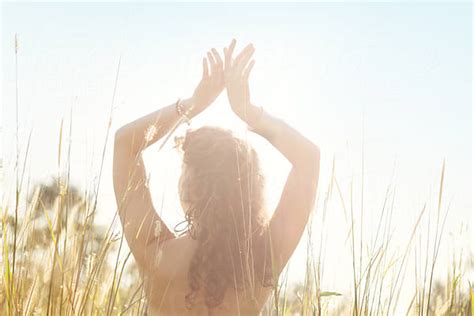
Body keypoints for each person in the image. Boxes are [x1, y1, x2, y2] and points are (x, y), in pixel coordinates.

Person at [113, 39, 320, 315]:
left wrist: (191, 105)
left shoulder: (158, 256)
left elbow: (125, 144)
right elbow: (308, 159)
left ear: (191, 187)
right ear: (249, 189)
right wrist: (249, 112)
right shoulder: (260, 262)